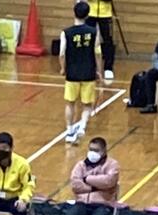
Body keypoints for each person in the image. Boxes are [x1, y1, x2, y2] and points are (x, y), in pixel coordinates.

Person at [66, 137, 120, 215]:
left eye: (96, 150)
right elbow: (75, 185)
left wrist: (86, 179)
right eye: (90, 149)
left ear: (104, 151)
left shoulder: (112, 165)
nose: (92, 153)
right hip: (82, 203)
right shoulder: (81, 165)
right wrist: (95, 188)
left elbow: (109, 181)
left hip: (103, 204)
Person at [60, 2, 100, 145]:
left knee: (70, 103)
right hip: (88, 72)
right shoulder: (93, 32)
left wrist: (63, 68)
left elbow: (62, 53)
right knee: (87, 104)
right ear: (87, 15)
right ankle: (82, 126)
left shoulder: (66, 32)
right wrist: (98, 70)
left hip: (72, 73)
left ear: (74, 13)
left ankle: (69, 130)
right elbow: (97, 52)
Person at [85, 0, 115, 81]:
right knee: (88, 40)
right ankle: (89, 66)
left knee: (108, 41)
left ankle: (108, 68)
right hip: (90, 12)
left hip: (105, 14)